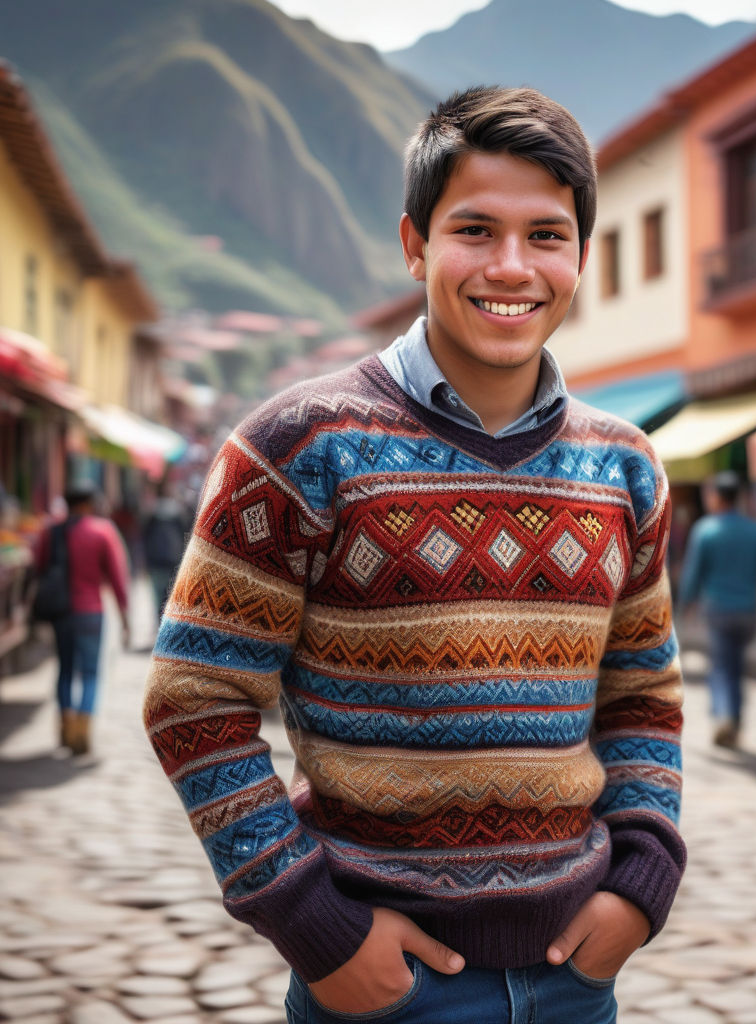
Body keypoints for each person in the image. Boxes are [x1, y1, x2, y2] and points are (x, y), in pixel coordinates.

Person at [144, 86, 684, 1024]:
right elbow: (194, 699)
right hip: (383, 990)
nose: (511, 267)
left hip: (576, 983)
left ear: (583, 258)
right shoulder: (298, 447)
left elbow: (641, 693)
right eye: (475, 229)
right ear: (415, 245)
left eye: (547, 236)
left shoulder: (626, 467)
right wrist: (315, 927)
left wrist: (641, 882)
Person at [678, 471, 756, 749]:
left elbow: (693, 575)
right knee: (735, 665)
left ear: (716, 497)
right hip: (748, 613)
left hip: (719, 611)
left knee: (722, 667)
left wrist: (684, 605)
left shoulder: (705, 530)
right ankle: (735, 720)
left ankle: (725, 715)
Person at [34, 481, 130, 755]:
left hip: (61, 612)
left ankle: (65, 731)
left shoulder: (51, 532)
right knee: (89, 673)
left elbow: (39, 566)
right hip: (90, 612)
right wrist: (125, 617)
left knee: (64, 670)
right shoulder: (102, 531)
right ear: (88, 503)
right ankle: (81, 736)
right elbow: (117, 577)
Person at [141, 479, 192, 626]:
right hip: (174, 560)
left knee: (158, 596)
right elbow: (186, 536)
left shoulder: (151, 512)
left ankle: (160, 626)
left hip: (155, 561)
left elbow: (145, 538)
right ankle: (169, 628)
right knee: (171, 597)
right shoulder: (178, 511)